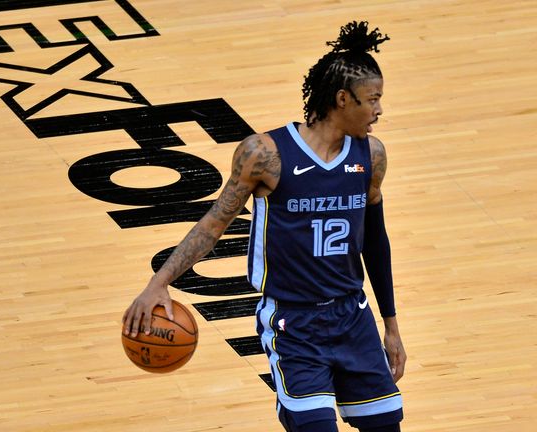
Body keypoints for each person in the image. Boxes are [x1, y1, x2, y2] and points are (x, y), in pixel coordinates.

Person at [123, 21, 406, 432]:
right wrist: (159, 280)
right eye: (372, 100)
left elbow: (376, 243)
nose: (379, 110)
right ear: (343, 99)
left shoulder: (371, 155)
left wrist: (391, 325)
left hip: (353, 317)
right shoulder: (265, 154)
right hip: (294, 325)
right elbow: (215, 222)